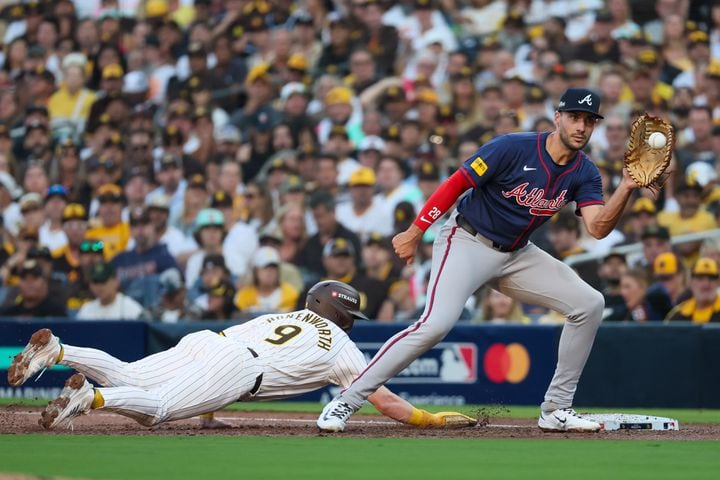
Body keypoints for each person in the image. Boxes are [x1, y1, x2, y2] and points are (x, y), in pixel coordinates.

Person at [318, 88, 662, 433]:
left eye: (589, 120)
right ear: (558, 118)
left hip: (516, 253)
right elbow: (456, 184)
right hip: (467, 240)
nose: (581, 126)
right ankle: (347, 399)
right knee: (434, 325)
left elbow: (598, 228)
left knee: (589, 304)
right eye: (574, 117)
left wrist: (627, 187)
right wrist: (414, 231)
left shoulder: (585, 172)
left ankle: (556, 409)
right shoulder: (511, 147)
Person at [8, 280, 475, 431]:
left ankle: (59, 349)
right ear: (342, 314)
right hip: (237, 368)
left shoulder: (280, 315)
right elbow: (384, 401)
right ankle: (88, 400)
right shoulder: (342, 347)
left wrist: (210, 412)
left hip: (211, 341)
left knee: (132, 374)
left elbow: (223, 361)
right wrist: (428, 419)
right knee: (161, 410)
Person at [76, 262, 144, 321]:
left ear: (116, 281)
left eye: (103, 281)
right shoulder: (86, 310)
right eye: (95, 282)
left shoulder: (132, 309)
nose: (99, 287)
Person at [665, 257, 720, 323]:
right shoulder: (678, 314)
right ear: (691, 282)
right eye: (700, 278)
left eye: (711, 278)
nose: (706, 284)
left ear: (718, 282)